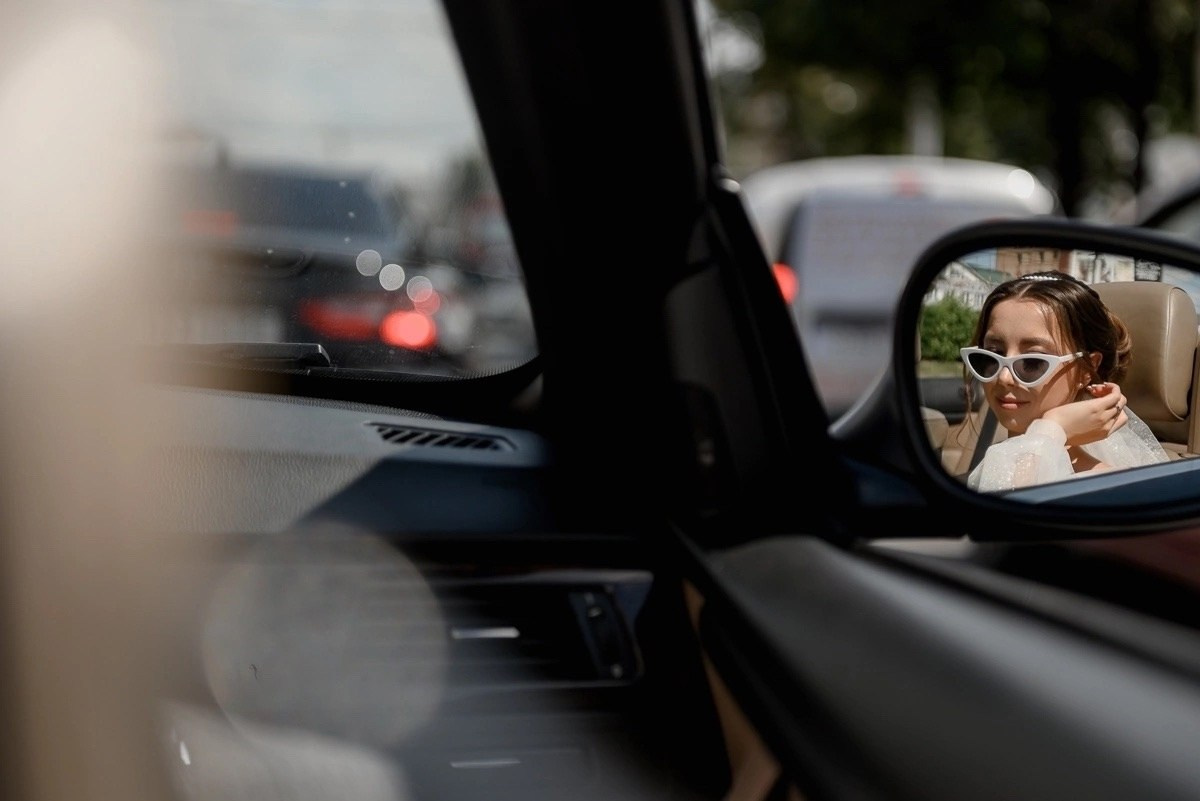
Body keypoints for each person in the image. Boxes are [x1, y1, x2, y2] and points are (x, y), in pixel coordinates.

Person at [960, 270, 1170, 491]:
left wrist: (1051, 428)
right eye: (991, 355)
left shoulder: (1105, 485)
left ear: (1087, 369)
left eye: (1032, 362)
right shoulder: (1000, 455)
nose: (1003, 377)